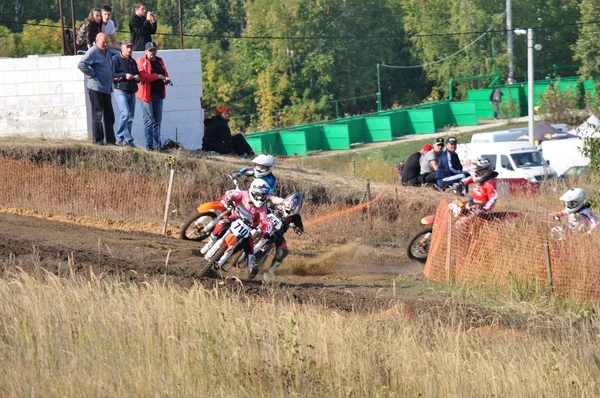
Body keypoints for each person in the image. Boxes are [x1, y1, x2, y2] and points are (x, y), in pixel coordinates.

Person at [201, 178, 273, 278]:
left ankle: (251, 267)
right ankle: (210, 242)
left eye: (263, 196)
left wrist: (267, 231)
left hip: (247, 227)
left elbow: (265, 220)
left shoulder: (262, 208)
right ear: (252, 191)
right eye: (259, 195)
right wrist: (229, 199)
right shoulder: (243, 195)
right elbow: (230, 193)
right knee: (221, 224)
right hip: (234, 217)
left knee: (250, 245)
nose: (260, 198)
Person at [78, 33, 116, 146]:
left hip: (106, 88)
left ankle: (110, 141)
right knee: (97, 115)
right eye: (103, 41)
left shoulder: (107, 51)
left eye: (106, 41)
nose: (105, 43)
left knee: (109, 115)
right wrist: (91, 73)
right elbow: (81, 64)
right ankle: (98, 141)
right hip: (96, 88)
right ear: (97, 41)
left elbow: (117, 55)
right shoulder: (93, 52)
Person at [136, 41, 170, 151]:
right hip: (147, 95)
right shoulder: (141, 61)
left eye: (154, 50)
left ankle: (157, 145)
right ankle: (149, 145)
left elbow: (165, 73)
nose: (152, 52)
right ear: (146, 51)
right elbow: (143, 76)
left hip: (159, 94)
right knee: (148, 121)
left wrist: (166, 79)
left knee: (157, 121)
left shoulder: (160, 61)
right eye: (150, 50)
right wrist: (157, 76)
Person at [263, 192, 304, 278]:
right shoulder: (277, 201)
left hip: (278, 234)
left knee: (283, 251)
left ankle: (271, 270)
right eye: (287, 209)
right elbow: (267, 198)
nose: (287, 212)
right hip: (264, 224)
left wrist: (298, 229)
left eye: (291, 212)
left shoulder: (296, 216)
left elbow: (300, 228)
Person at [113, 39, 140, 147]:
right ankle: (119, 138)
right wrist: (124, 75)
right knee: (125, 113)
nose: (129, 50)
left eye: (131, 47)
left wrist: (138, 77)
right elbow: (112, 75)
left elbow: (137, 75)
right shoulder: (115, 59)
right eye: (127, 47)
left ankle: (128, 140)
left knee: (130, 117)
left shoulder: (133, 62)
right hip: (120, 91)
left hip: (131, 91)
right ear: (122, 48)